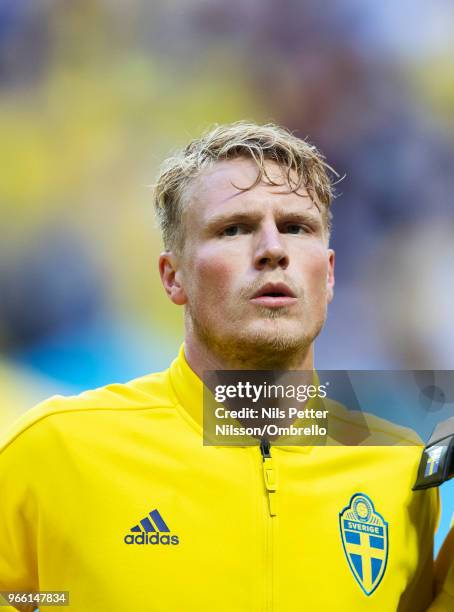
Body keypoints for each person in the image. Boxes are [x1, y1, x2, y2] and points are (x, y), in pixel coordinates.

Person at [0, 122, 452, 611]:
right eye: (233, 228)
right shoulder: (57, 450)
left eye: (297, 227)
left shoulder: (400, 469)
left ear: (329, 276)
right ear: (174, 278)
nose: (273, 250)